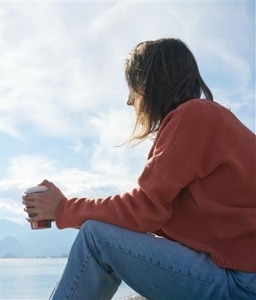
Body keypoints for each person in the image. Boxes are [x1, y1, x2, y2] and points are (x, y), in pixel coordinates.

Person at [22, 38, 256, 300]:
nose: (130, 101)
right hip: (244, 274)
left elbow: (144, 210)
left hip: (243, 281)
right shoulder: (211, 119)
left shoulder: (192, 116)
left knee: (95, 238)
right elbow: (156, 215)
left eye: (133, 88)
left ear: (151, 84)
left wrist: (63, 209)